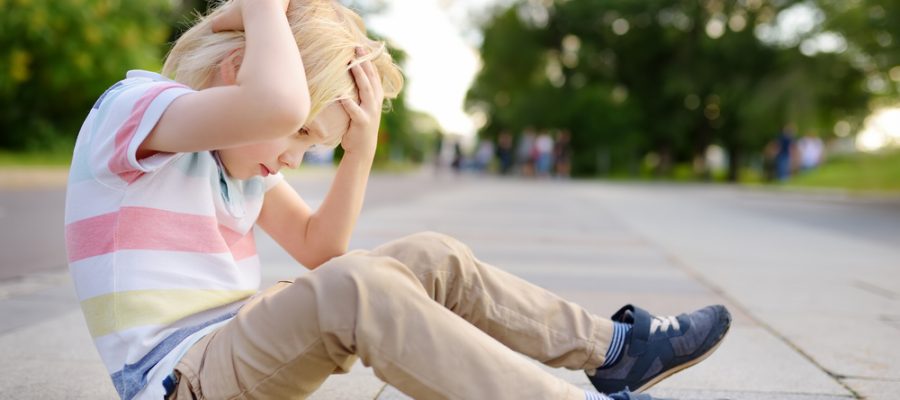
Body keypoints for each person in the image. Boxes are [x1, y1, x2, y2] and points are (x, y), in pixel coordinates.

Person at [63, 1, 731, 399]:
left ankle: (617, 350)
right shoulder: (136, 110)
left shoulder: (236, 165)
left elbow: (322, 252)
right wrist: (265, 7)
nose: (293, 157)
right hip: (180, 380)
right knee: (358, 286)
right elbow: (275, 107)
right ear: (238, 72)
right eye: (299, 133)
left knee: (428, 256)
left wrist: (361, 148)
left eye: (309, 147)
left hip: (233, 350)